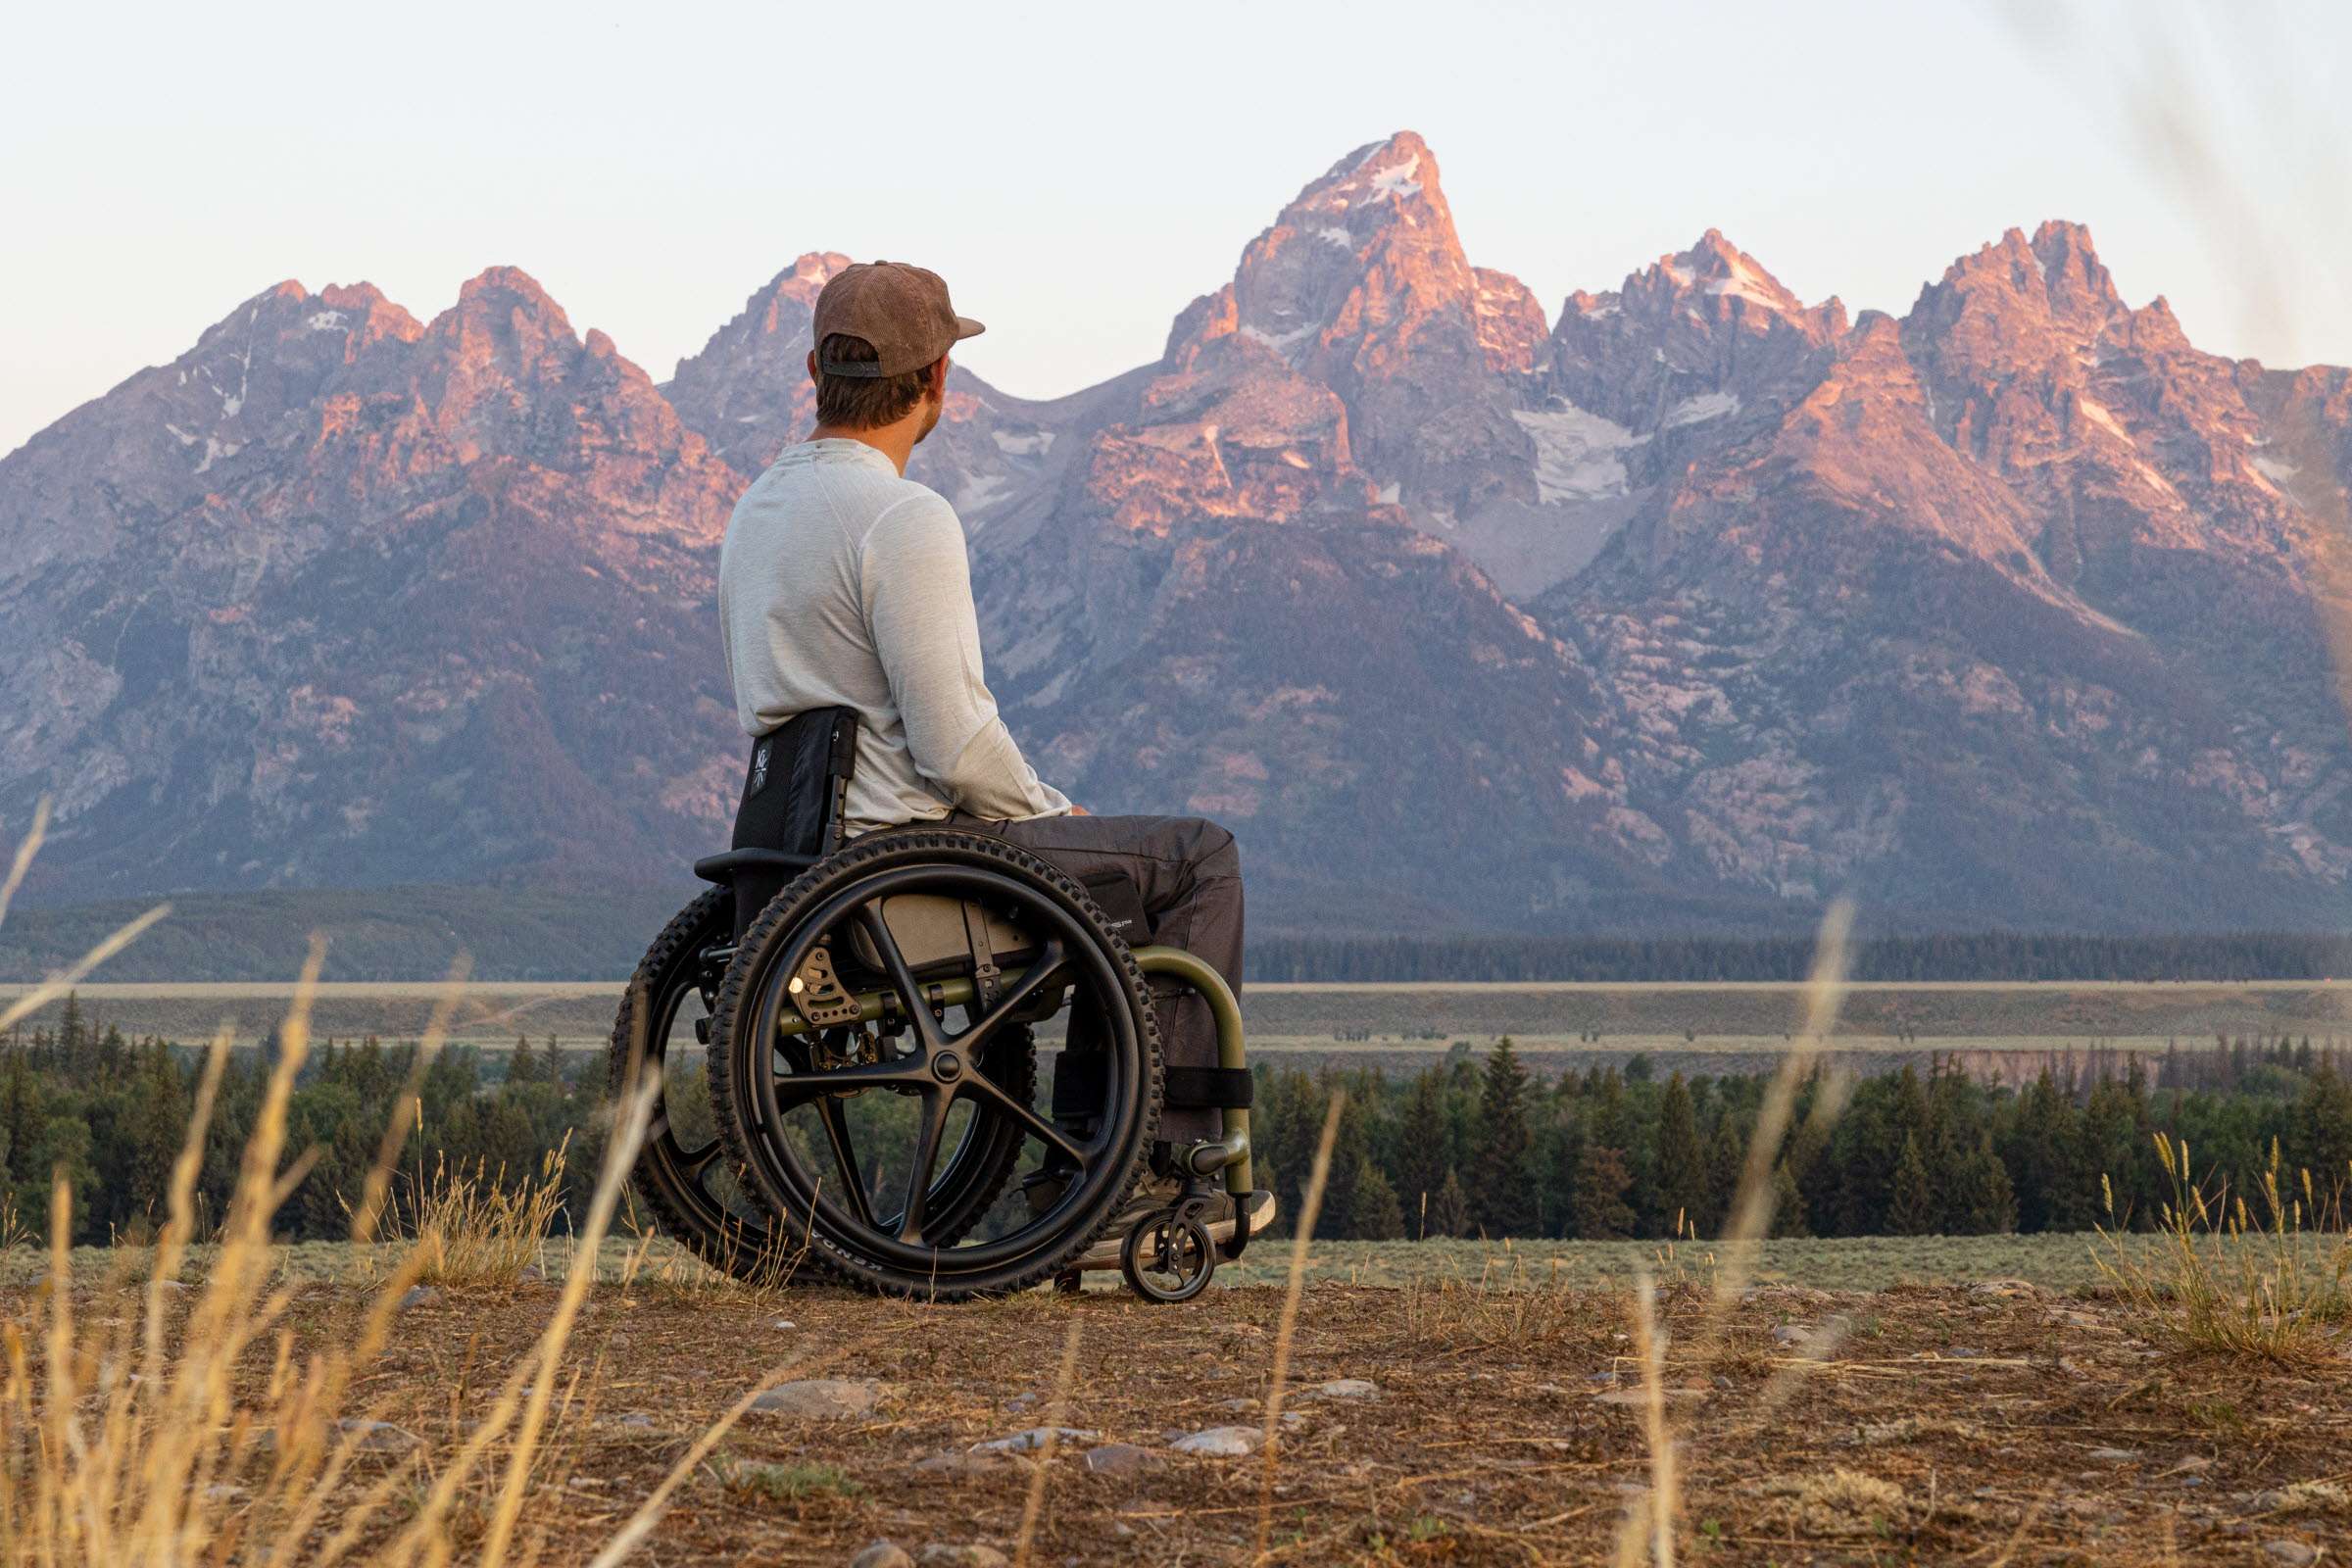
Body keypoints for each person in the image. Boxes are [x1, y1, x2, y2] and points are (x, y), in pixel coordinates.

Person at [715, 260, 1269, 1258]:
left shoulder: (757, 512)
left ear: (813, 369)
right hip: (904, 872)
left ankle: (1088, 1172)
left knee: (1109, 880)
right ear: (936, 383)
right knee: (1192, 860)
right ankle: (1152, 1177)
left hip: (797, 862)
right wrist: (1052, 814)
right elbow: (954, 742)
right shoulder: (901, 516)